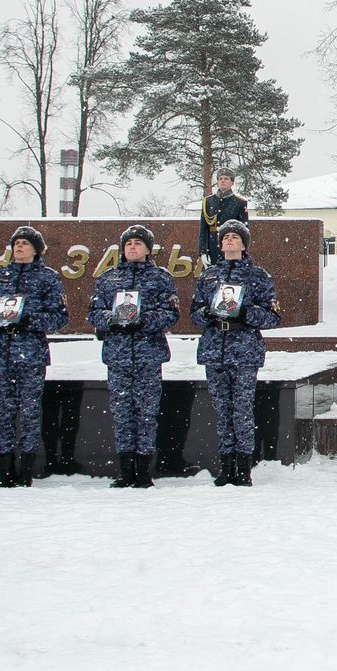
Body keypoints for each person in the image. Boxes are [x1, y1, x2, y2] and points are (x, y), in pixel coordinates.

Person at [191, 218, 283, 486]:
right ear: (220, 244)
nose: (229, 240)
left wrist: (246, 312)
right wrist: (207, 312)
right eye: (225, 237)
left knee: (242, 410)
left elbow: (273, 317)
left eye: (235, 237)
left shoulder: (258, 276)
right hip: (214, 350)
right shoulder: (209, 276)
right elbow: (193, 314)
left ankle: (243, 467)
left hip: (243, 350)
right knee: (222, 410)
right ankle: (226, 465)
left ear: (244, 244)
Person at [88, 224, 181, 488]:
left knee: (146, 413)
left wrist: (142, 320)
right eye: (128, 244)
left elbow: (170, 313)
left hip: (147, 355)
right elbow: (94, 313)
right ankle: (125, 470)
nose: (132, 247)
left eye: (138, 243)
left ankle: (143, 471)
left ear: (148, 249)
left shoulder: (161, 278)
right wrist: (113, 319)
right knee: (122, 414)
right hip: (117, 355)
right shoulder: (108, 279)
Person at [0, 225, 69, 487]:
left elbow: (59, 316)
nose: (18, 247)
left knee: (29, 413)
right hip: (0, 354)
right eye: (16, 243)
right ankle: (5, 471)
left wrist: (28, 321)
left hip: (30, 353)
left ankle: (26, 470)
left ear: (36, 250)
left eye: (25, 244)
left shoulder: (47, 278)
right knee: (3, 413)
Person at [198, 171, 251, 267]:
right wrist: (203, 251)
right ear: (217, 182)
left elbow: (244, 230)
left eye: (226, 179)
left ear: (232, 183)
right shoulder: (208, 201)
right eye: (220, 179)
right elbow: (203, 229)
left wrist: (243, 250)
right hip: (212, 246)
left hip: (232, 246)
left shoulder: (239, 202)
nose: (223, 181)